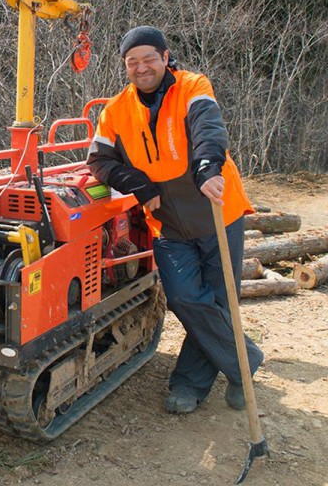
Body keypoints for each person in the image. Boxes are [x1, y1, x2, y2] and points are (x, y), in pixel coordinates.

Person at [87, 26, 263, 414]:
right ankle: (242, 364)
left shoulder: (192, 86)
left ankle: (189, 384)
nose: (141, 67)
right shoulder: (116, 110)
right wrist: (136, 183)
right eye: (132, 62)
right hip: (166, 226)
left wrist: (207, 167)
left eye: (149, 58)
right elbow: (98, 160)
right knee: (184, 298)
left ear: (165, 57)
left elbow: (208, 128)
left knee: (218, 300)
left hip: (218, 211)